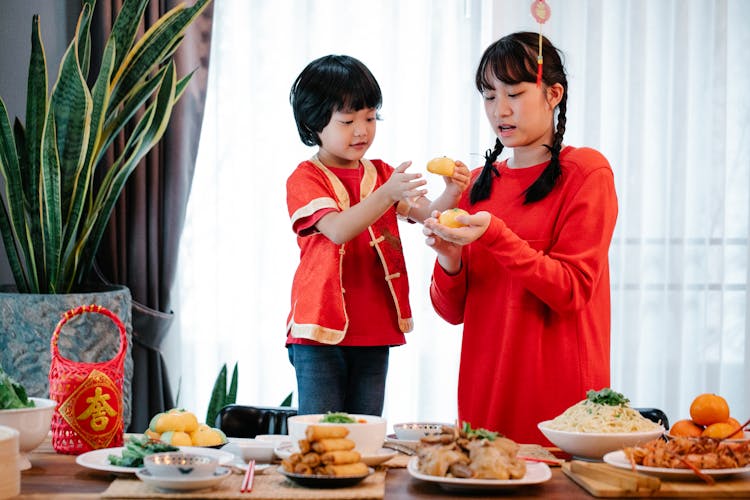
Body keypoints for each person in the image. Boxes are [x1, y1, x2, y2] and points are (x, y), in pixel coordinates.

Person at [423, 32, 618, 444]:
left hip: (560, 410)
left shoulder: (586, 173)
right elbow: (452, 311)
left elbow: (572, 290)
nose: (501, 110)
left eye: (514, 92)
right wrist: (449, 259)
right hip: (483, 401)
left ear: (553, 94)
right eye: (489, 96)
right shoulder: (476, 185)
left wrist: (495, 234)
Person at [286, 54, 470, 416]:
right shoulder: (305, 177)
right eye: (347, 120)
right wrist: (387, 193)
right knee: (321, 436)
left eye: (370, 118)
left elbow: (429, 214)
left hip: (375, 327)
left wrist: (452, 191)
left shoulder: (382, 173)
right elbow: (337, 230)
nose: (362, 130)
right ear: (313, 123)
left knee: (366, 434)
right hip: (318, 330)